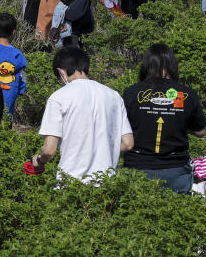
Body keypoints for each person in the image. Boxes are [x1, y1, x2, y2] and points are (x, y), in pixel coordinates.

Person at [32, 45, 133, 182]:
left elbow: (49, 150)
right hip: (107, 185)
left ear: (61, 72)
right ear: (88, 69)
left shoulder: (58, 97)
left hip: (71, 184)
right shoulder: (114, 96)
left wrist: (39, 160)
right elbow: (127, 143)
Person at [121, 44, 206, 193]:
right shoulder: (185, 94)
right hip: (175, 169)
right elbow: (200, 132)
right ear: (171, 65)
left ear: (146, 65)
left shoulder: (131, 93)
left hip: (137, 167)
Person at [0, 13, 28, 115]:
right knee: (5, 122)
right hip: (8, 96)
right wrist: (20, 91)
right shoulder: (18, 55)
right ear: (13, 32)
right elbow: (22, 77)